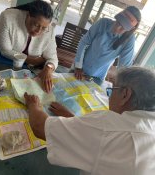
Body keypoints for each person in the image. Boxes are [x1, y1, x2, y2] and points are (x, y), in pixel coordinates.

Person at [24, 66, 155, 175]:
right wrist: (71, 118)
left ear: (125, 94)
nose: (109, 97)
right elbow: (96, 135)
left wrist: (33, 105)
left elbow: (39, 126)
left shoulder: (107, 125)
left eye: (112, 89)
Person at [0, 0, 58, 93]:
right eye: (36, 25)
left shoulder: (50, 30)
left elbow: (52, 57)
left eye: (44, 28)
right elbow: (5, 50)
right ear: (28, 15)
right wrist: (32, 60)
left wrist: (48, 68)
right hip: (4, 59)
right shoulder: (7, 17)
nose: (38, 31)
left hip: (29, 68)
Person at [74, 6, 141, 85]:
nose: (118, 28)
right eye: (119, 22)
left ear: (131, 29)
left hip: (97, 77)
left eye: (123, 27)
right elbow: (84, 42)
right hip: (80, 68)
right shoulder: (103, 23)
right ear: (117, 17)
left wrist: (120, 85)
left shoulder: (129, 39)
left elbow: (124, 68)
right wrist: (78, 66)